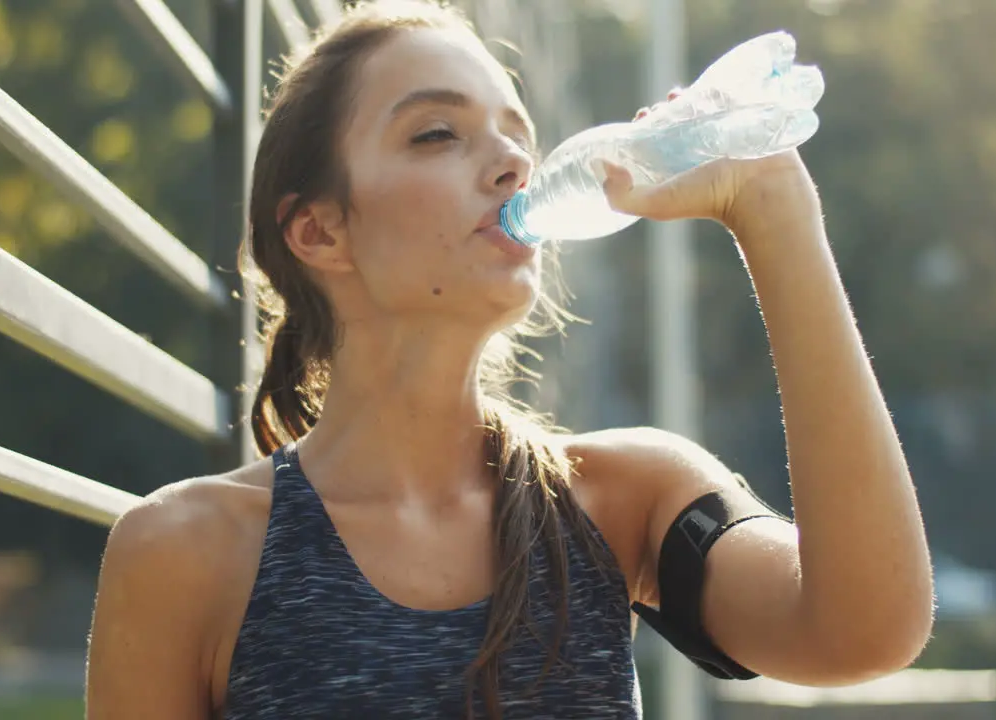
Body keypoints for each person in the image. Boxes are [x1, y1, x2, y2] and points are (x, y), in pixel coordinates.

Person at [84, 1, 934, 718]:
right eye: (438, 133)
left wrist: (775, 207)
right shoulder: (184, 553)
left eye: (517, 135)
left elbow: (865, 629)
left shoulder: (621, 501)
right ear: (319, 229)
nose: (514, 162)